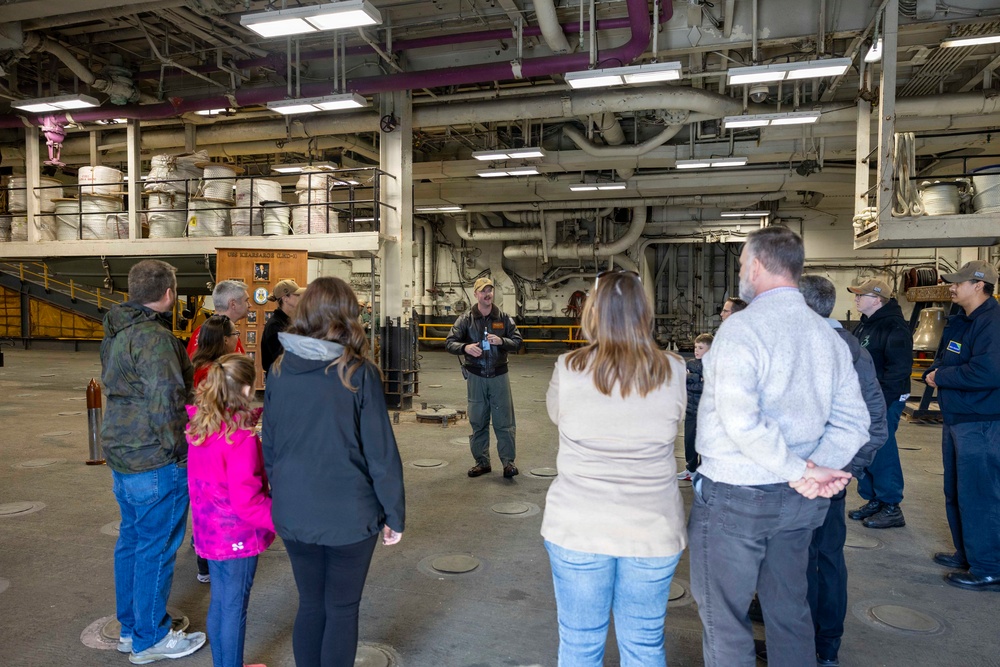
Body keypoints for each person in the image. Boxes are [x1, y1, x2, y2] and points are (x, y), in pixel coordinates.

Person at [687, 227, 870, 667]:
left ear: (755, 264)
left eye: (740, 264)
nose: (740, 273)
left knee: (725, 619)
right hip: (799, 504)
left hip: (737, 498)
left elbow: (741, 423)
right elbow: (855, 423)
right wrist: (814, 470)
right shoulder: (827, 336)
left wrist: (800, 470)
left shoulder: (740, 330)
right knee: (790, 612)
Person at [542, 269, 687, 667]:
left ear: (593, 313)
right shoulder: (673, 369)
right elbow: (674, 419)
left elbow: (559, 416)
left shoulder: (568, 367)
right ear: (644, 312)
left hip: (578, 524)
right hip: (653, 528)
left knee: (579, 644)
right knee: (643, 643)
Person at [262, 276, 405, 667]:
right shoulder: (357, 372)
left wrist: (287, 493)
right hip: (349, 517)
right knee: (341, 609)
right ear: (348, 317)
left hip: (293, 511)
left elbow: (269, 446)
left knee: (310, 603)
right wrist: (394, 514)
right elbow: (380, 455)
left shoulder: (278, 369)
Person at [756, 275, 889, 667]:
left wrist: (838, 472)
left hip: (809, 481)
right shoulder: (836, 349)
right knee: (809, 560)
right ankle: (812, 643)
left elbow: (873, 423)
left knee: (806, 563)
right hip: (806, 478)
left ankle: (812, 646)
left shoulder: (830, 350)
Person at [100, 259, 206, 664]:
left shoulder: (116, 331)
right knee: (156, 548)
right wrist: (179, 451)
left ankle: (131, 629)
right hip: (155, 458)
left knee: (132, 542)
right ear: (168, 294)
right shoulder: (156, 339)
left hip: (123, 451)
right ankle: (150, 639)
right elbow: (166, 402)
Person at [186, 354, 274, 667]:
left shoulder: (201, 426)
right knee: (234, 608)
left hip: (208, 533)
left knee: (221, 603)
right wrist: (284, 518)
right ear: (247, 390)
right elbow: (247, 502)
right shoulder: (240, 438)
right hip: (237, 536)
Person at [924, 260, 1000, 591]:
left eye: (958, 282)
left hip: (981, 422)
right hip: (956, 417)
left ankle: (989, 567)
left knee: (980, 495)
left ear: (979, 285)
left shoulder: (993, 323)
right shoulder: (961, 321)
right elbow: (946, 357)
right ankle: (966, 553)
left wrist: (941, 377)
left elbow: (988, 373)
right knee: (956, 490)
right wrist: (939, 371)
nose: (952, 287)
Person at [846, 278, 913, 529]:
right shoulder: (865, 326)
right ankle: (873, 498)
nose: (856, 299)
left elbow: (899, 369)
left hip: (885, 400)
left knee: (882, 449)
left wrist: (880, 405)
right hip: (865, 400)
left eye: (861, 295)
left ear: (877, 299)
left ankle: (891, 505)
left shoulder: (893, 326)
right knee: (866, 449)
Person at [445, 276, 524, 478]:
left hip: (499, 376)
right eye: (483, 291)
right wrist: (465, 347)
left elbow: (518, 342)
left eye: (490, 290)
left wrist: (502, 340)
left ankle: (508, 463)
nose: (487, 294)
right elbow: (449, 342)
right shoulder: (465, 319)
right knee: (478, 420)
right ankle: (482, 462)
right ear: (476, 294)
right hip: (476, 377)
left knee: (504, 422)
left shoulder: (504, 318)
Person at [679, 333, 713, 481]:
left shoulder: (714, 365)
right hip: (691, 411)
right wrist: (697, 378)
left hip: (707, 413)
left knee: (706, 443)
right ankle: (690, 470)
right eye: (695, 347)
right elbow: (682, 380)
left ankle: (705, 473)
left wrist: (693, 380)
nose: (696, 350)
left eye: (700, 348)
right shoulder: (690, 364)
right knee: (689, 441)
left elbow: (708, 386)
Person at [188, 280, 250, 356]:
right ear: (233, 304)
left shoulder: (229, 333)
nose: (250, 305)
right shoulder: (210, 335)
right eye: (246, 300)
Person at [261, 279, 305, 376]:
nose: (301, 298)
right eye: (297, 295)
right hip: (280, 378)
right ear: (285, 298)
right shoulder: (275, 325)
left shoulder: (288, 321)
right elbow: (282, 359)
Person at [192, 315, 241, 388]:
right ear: (225, 340)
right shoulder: (214, 373)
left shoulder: (201, 365)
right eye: (235, 333)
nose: (237, 337)